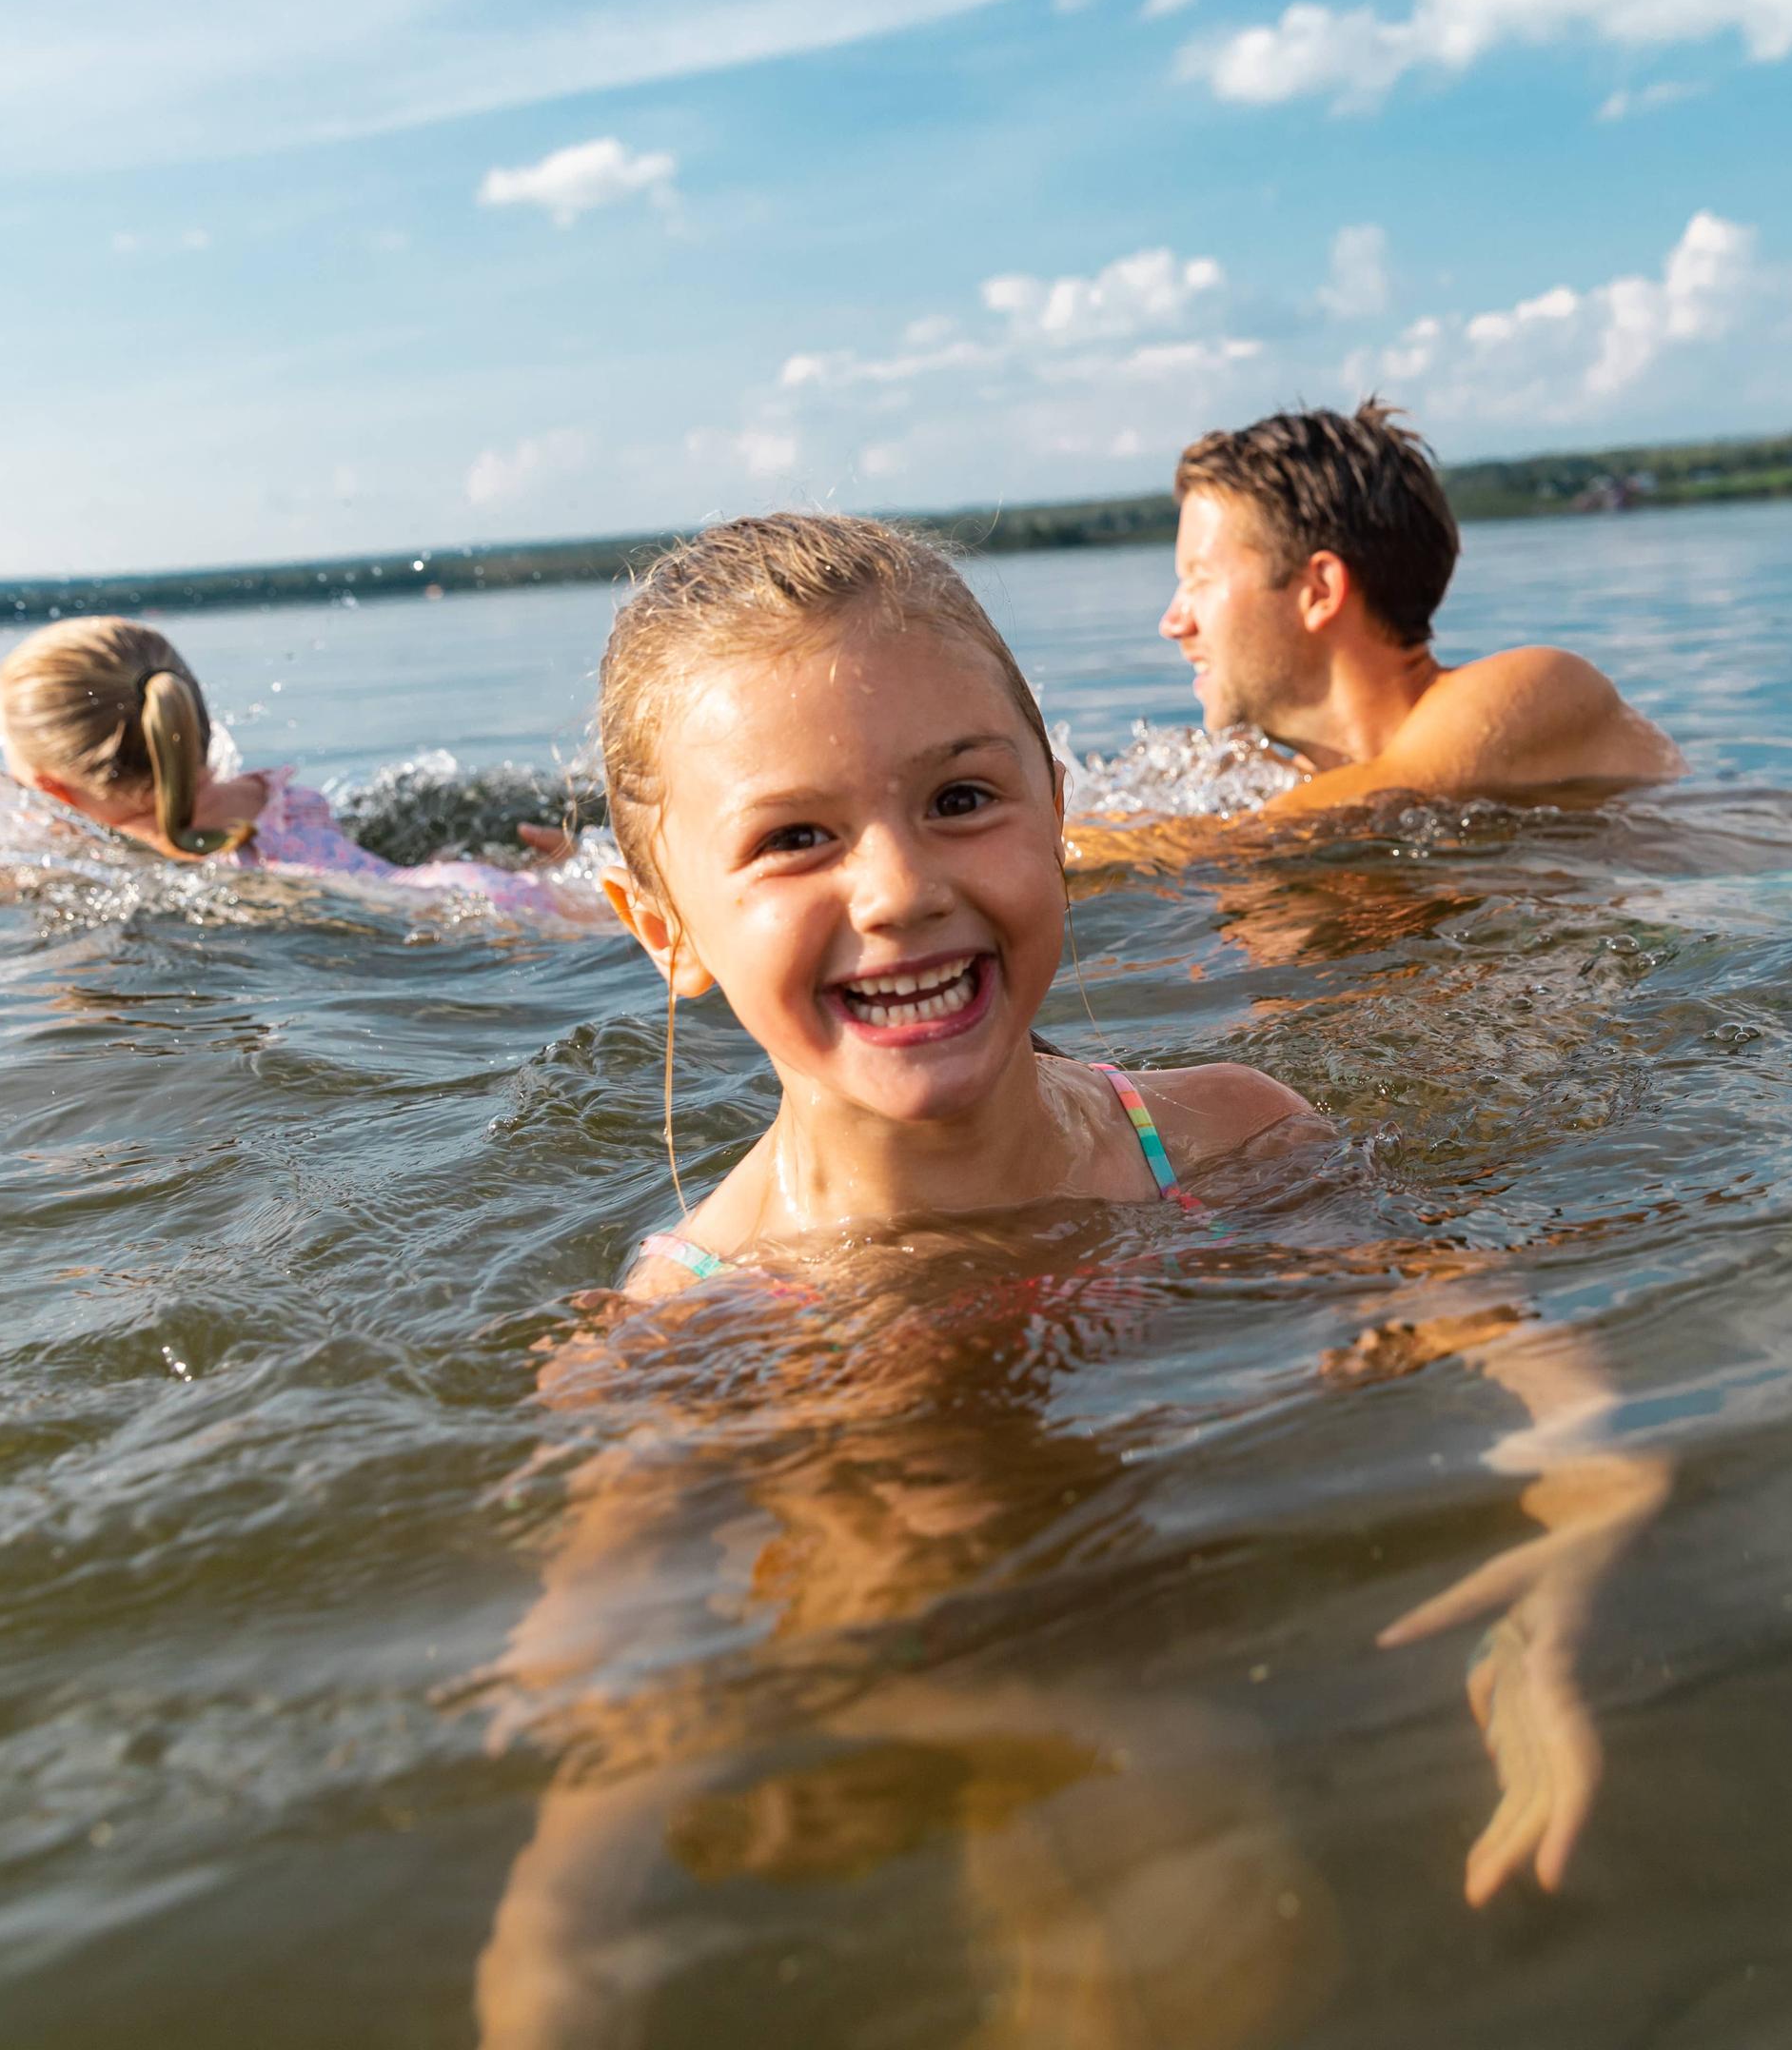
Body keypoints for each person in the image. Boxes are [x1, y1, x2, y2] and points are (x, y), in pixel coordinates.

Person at [476, 514, 1668, 2042]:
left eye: (962, 798)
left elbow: (1507, 1341)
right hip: (892, 1688)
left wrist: (1573, 1552)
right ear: (664, 930)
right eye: (794, 839)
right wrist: (557, 1970)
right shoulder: (689, 1319)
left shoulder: (1229, 1138)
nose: (900, 889)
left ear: (1058, 821)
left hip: (1218, 1634)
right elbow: (597, 1749)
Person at [1158, 400, 1680, 814]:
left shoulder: (1534, 692)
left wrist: (1095, 844)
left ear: (1319, 591)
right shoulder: (1308, 793)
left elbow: (1256, 838)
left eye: (1199, 580)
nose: (1173, 622)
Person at [0, 614, 587, 914]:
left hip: (465, 915)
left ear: (53, 790)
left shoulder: (110, 868)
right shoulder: (262, 797)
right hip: (468, 893)